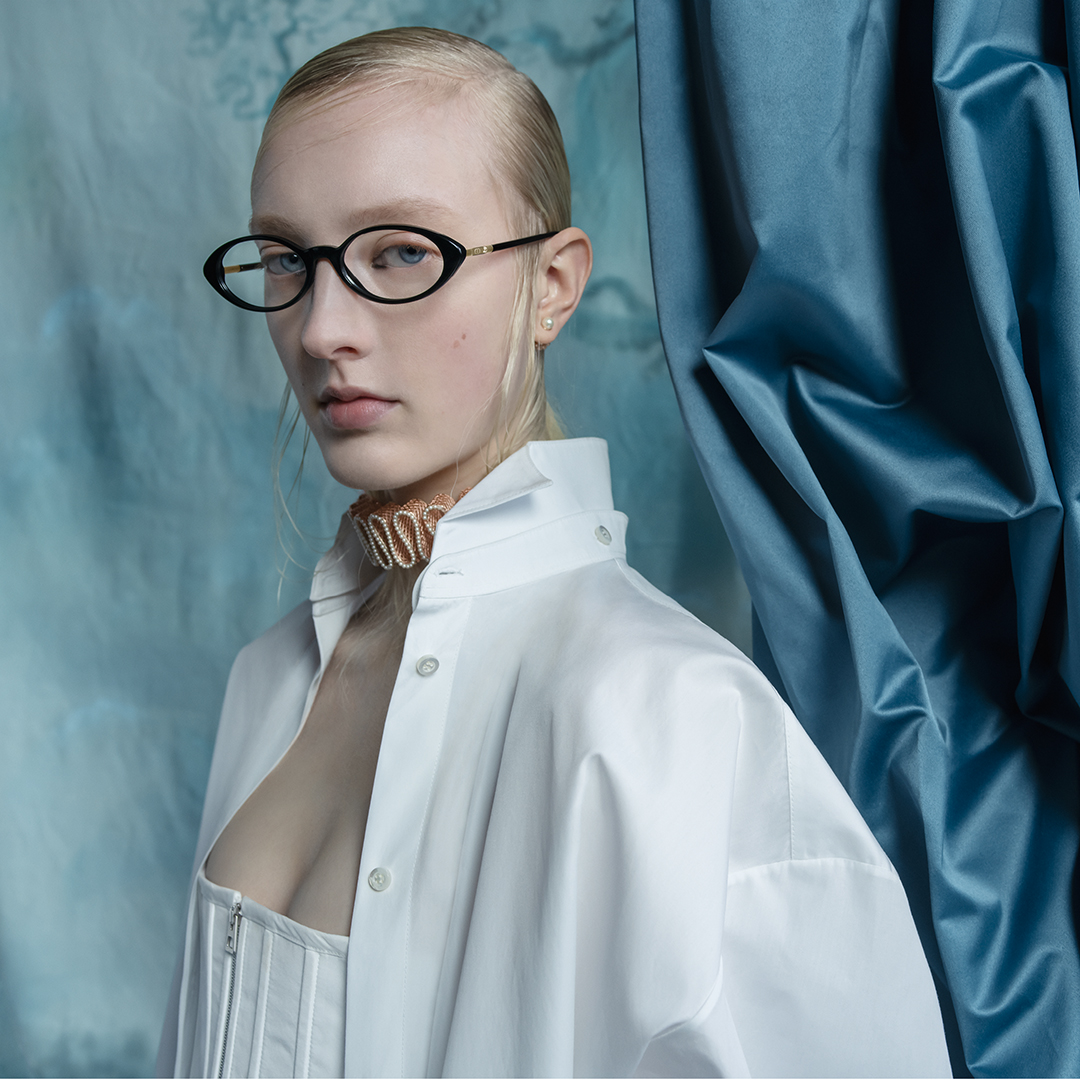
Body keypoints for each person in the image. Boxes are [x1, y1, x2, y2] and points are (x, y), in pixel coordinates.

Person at [157, 26, 951, 1079]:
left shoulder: (676, 716)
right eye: (287, 260)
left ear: (555, 286)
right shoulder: (266, 682)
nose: (321, 329)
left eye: (401, 252)